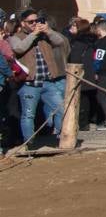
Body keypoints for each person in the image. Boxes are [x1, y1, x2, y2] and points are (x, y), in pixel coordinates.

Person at [10, 10, 69, 145]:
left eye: (37, 21)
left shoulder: (44, 36)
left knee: (62, 109)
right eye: (31, 22)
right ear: (22, 23)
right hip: (29, 84)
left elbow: (60, 42)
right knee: (28, 114)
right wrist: (34, 34)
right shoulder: (16, 37)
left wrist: (48, 31)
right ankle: (29, 143)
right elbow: (19, 48)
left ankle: (59, 137)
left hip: (48, 82)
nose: (35, 24)